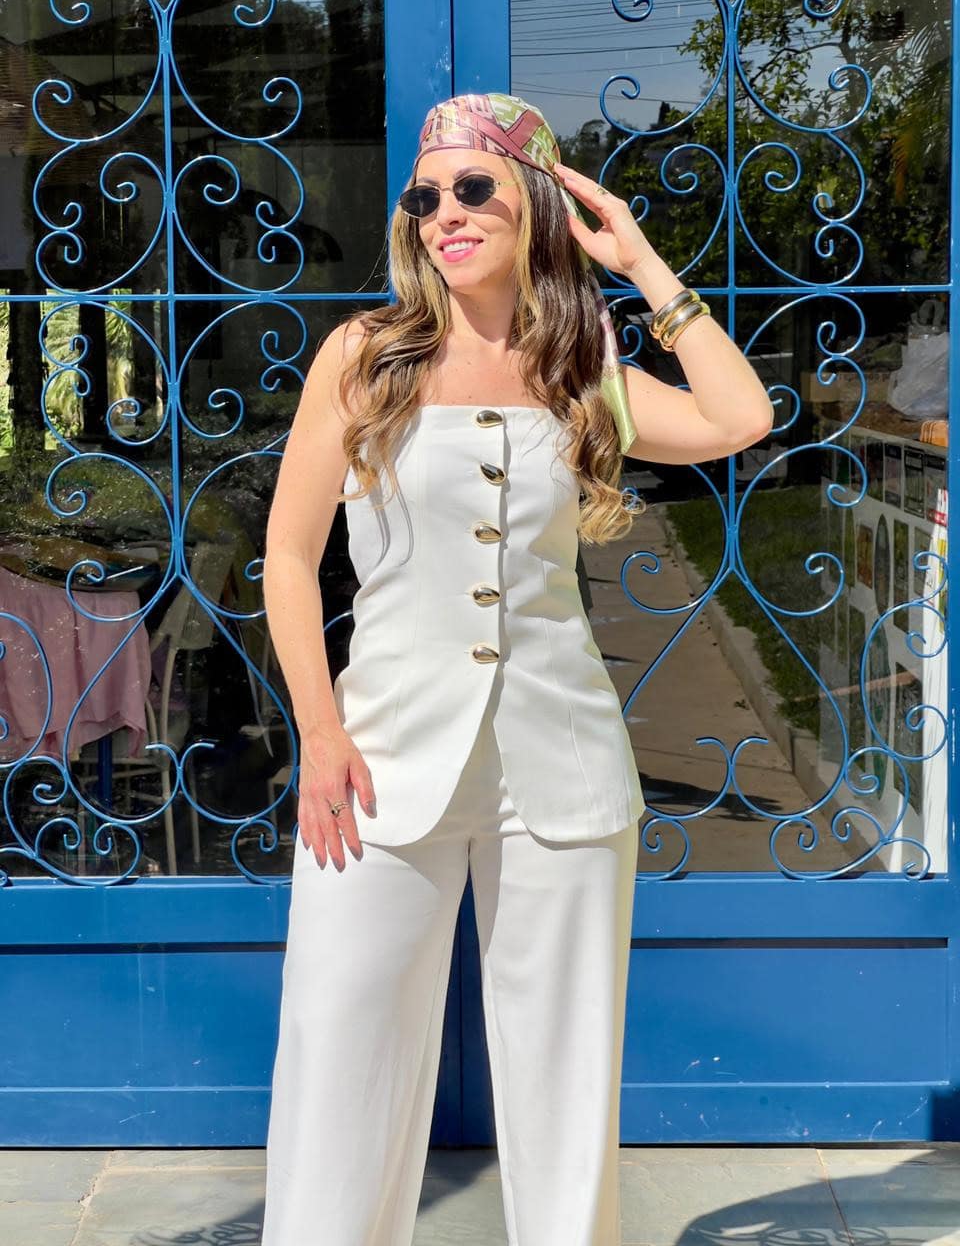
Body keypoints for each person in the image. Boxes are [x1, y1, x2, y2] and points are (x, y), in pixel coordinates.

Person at [259, 91, 772, 1246]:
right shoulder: (364, 356)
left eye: (474, 186)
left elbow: (740, 416)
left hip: (564, 763)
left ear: (532, 199)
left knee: (565, 1079)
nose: (445, 211)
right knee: (338, 1061)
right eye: (426, 194)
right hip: (379, 762)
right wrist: (320, 732)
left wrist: (640, 262)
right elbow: (288, 558)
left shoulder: (583, 367)